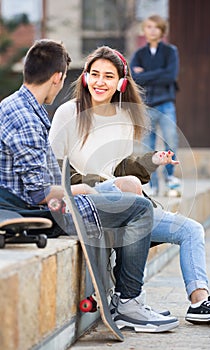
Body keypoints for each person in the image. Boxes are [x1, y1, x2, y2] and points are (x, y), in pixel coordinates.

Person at [49, 45, 210, 327]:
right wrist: (104, 184)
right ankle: (129, 301)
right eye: (95, 74)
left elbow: (118, 169)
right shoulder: (68, 113)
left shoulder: (126, 118)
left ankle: (200, 302)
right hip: (83, 200)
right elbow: (54, 169)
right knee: (132, 190)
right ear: (85, 76)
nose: (100, 82)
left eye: (108, 76)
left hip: (120, 198)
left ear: (121, 83)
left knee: (191, 230)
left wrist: (150, 161)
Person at [0, 39, 179, 333]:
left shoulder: (19, 106)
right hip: (40, 211)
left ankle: (126, 298)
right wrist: (90, 191)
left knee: (126, 196)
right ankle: (129, 304)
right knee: (139, 209)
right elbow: (40, 194)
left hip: (32, 203)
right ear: (58, 77)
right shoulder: (26, 118)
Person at [130, 14, 180, 196]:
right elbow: (134, 78)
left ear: (162, 31)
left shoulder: (170, 52)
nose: (152, 30)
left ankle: (171, 179)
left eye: (156, 27)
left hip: (166, 104)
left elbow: (170, 76)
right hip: (146, 106)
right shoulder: (139, 54)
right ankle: (150, 183)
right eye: (148, 26)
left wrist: (147, 74)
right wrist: (158, 73)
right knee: (147, 147)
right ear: (144, 29)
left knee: (171, 141)